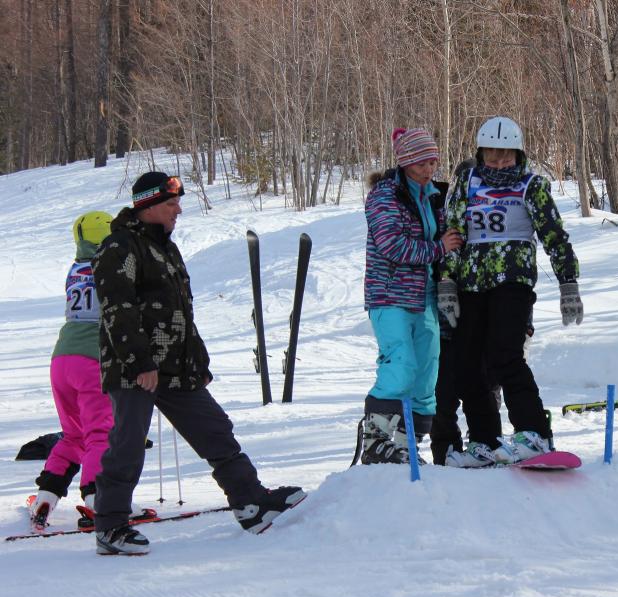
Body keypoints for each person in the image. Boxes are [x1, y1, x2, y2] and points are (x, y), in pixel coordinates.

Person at [91, 172, 306, 555]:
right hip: (134, 368)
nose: (178, 210)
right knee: (128, 445)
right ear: (148, 206)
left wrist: (197, 362)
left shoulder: (165, 248)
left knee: (215, 430)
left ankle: (250, 502)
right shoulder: (120, 247)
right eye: (171, 204)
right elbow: (117, 310)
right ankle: (110, 526)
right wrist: (140, 361)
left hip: (175, 368)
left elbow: (180, 314)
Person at [438, 116, 582, 465]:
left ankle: (534, 432)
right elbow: (453, 232)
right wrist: (447, 281)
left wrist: (568, 284)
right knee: (467, 364)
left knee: (505, 354)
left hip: (512, 281)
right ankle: (484, 440)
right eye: (492, 155)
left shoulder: (532, 185)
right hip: (472, 283)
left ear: (519, 155)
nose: (499, 163)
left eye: (506, 156)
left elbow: (554, 235)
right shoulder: (466, 183)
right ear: (481, 153)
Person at [359, 128, 463, 465]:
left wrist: (447, 257)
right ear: (406, 163)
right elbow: (391, 245)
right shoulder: (384, 196)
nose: (429, 168)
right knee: (399, 364)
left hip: (426, 295)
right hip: (389, 294)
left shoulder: (435, 195)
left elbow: (451, 237)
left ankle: (407, 443)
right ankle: (375, 441)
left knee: (426, 373)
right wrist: (438, 248)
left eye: (433, 160)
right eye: (422, 162)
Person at [28, 212, 116, 532]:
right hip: (92, 360)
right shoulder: (109, 267)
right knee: (100, 433)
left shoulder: (75, 268)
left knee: (74, 435)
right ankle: (98, 497)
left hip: (62, 358)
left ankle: (45, 496)